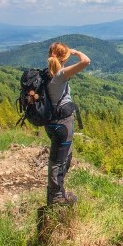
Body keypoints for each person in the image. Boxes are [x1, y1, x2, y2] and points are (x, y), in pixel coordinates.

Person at [44, 42, 90, 205]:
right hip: (62, 124)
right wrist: (76, 52)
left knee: (63, 156)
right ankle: (56, 197)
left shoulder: (45, 74)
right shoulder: (60, 74)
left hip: (51, 123)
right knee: (58, 160)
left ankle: (58, 192)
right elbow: (86, 61)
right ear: (64, 57)